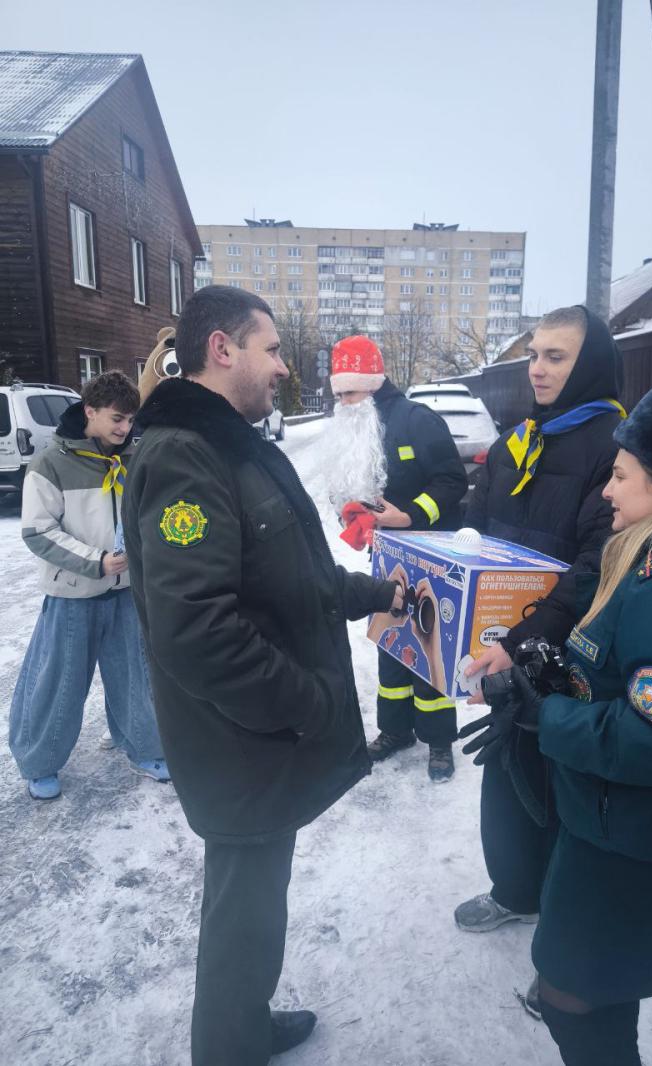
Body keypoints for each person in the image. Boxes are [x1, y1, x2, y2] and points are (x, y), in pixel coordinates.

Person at [121, 287, 401, 1066]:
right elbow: (196, 630)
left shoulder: (227, 444)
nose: (283, 367)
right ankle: (230, 1046)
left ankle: (242, 1026)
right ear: (222, 348)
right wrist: (309, 703)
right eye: (271, 349)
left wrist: (375, 594)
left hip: (255, 741)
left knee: (251, 906)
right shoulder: (186, 455)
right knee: (243, 915)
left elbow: (287, 575)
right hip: (240, 743)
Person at [463, 385, 652, 1065]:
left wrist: (549, 717)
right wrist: (547, 680)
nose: (606, 491)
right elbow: (625, 679)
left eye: (621, 476)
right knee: (591, 989)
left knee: (578, 1005)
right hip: (607, 820)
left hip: (629, 840)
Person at [454, 305, 625, 930]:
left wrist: (527, 638)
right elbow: (476, 525)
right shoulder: (518, 440)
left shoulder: (616, 447)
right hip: (506, 643)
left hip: (571, 653)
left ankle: (563, 926)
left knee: (559, 787)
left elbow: (601, 562)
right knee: (506, 771)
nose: (537, 369)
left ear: (591, 364)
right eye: (533, 355)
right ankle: (516, 890)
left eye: (556, 357)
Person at [8, 371, 169, 800]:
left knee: (136, 677)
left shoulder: (134, 458)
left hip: (127, 592)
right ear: (90, 411)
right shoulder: (51, 463)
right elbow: (38, 531)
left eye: (130, 420)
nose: (125, 428)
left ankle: (144, 748)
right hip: (73, 595)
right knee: (58, 683)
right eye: (117, 418)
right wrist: (96, 562)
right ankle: (40, 762)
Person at [321, 334, 467, 782]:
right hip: (387, 555)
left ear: (370, 385)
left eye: (349, 393)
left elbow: (452, 481)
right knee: (390, 641)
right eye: (339, 394)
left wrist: (410, 515)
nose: (343, 403)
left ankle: (438, 739)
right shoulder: (359, 423)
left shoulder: (416, 420)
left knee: (429, 645)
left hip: (430, 555)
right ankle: (396, 730)